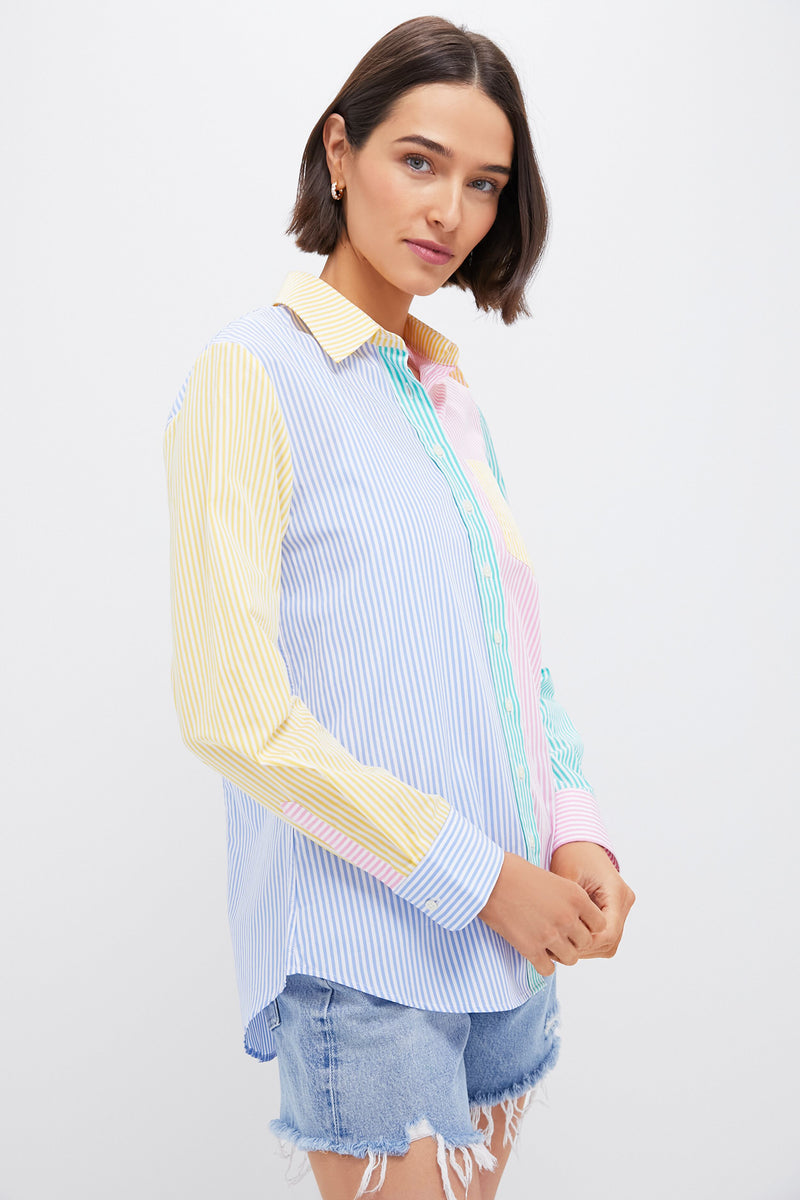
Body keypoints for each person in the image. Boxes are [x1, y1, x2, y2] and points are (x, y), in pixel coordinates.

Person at [163, 15, 635, 1200]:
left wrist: (574, 833)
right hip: (364, 954)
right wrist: (483, 878)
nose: (448, 212)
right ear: (339, 151)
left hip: (510, 949)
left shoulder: (446, 395)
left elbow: (511, 662)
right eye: (418, 161)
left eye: (483, 184)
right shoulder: (252, 374)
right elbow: (234, 716)